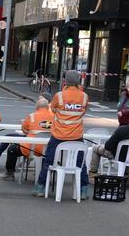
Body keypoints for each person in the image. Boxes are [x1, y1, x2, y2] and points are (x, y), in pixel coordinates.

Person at [36, 70, 90, 198]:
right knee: (80, 163)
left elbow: (53, 110)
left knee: (48, 160)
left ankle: (40, 188)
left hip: (58, 134)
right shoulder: (84, 96)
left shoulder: (59, 96)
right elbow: (83, 112)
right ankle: (83, 190)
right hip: (76, 135)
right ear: (79, 81)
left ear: (65, 81)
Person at [88, 106, 129, 178]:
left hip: (118, 156)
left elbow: (108, 146)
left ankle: (93, 174)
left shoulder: (122, 130)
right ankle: (126, 175)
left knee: (95, 148)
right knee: (126, 152)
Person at [2, 97, 52, 181]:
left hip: (31, 149)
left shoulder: (31, 116)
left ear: (37, 107)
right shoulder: (54, 117)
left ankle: (9, 174)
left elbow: (24, 130)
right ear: (48, 107)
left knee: (12, 149)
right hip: (47, 150)